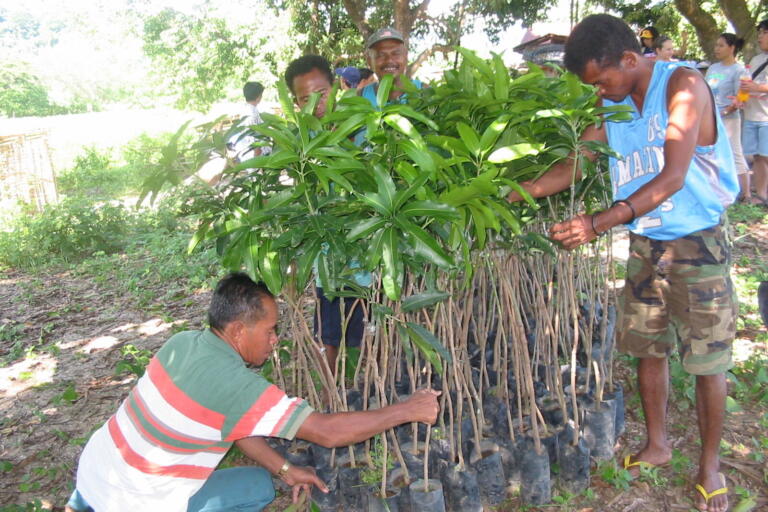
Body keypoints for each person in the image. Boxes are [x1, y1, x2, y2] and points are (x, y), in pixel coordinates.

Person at [507, 14, 738, 512]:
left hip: (697, 242)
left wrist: (598, 222)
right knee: (647, 348)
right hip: (646, 243)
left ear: (630, 60)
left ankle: (711, 463)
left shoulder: (683, 84)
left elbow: (673, 176)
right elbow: (580, 160)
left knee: (707, 360)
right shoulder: (613, 102)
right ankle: (657, 445)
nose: (599, 90)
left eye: (601, 79)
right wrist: (519, 191)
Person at [65, 273, 439, 512]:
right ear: (240, 331)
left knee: (266, 475)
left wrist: (288, 468)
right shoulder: (235, 384)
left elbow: (233, 425)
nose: (275, 341)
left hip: (95, 475)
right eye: (271, 330)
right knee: (257, 488)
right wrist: (407, 409)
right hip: (134, 502)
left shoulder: (181, 343)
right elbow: (326, 431)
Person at [284, 55, 371, 374]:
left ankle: (367, 389)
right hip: (327, 259)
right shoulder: (302, 144)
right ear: (296, 103)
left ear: (336, 88)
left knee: (366, 332)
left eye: (321, 93)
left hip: (366, 258)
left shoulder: (363, 125)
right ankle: (331, 394)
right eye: (305, 99)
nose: (316, 104)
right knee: (328, 331)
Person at [706, 33, 753, 202]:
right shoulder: (713, 68)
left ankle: (746, 193)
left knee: (735, 153)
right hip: (711, 117)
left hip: (729, 119)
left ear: (732, 48)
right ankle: (721, 191)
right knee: (714, 154)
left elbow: (740, 98)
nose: (716, 49)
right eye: (716, 45)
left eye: (721, 45)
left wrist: (726, 111)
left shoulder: (738, 70)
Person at [740, 19, 768, 205]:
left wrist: (757, 87)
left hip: (766, 116)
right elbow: (746, 83)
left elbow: (756, 85)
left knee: (766, 156)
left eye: (764, 33)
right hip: (751, 114)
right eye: (759, 33)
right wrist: (740, 98)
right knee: (757, 156)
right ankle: (761, 194)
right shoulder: (756, 60)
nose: (759, 37)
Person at [360, 27, 424, 107]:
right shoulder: (360, 97)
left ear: (406, 56)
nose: (389, 60)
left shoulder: (424, 93)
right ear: (369, 61)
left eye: (396, 53)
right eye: (381, 55)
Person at [229, 81, 270, 162]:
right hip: (254, 155)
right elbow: (254, 134)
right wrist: (257, 153)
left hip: (250, 153)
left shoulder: (245, 110)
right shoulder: (252, 113)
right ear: (258, 96)